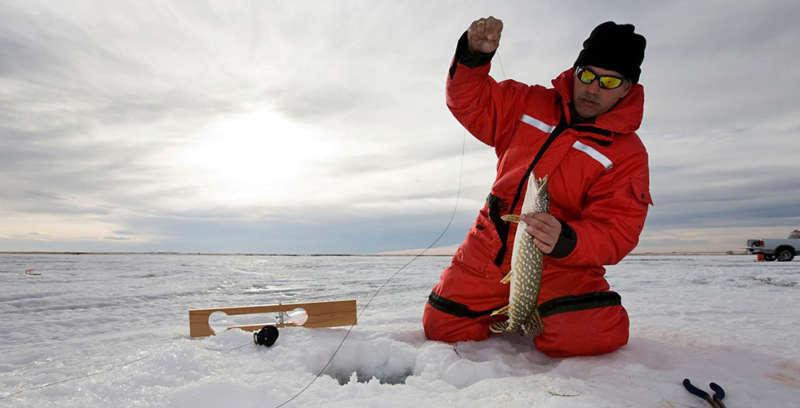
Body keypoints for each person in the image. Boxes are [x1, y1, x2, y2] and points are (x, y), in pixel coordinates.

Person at [423, 17, 652, 357]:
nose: (592, 88)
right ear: (574, 71)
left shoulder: (627, 154)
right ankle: (508, 308)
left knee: (593, 333)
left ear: (627, 88)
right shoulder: (528, 103)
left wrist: (567, 239)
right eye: (586, 75)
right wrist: (473, 57)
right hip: (490, 246)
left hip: (562, 265)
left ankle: (543, 312)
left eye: (608, 81)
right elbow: (469, 101)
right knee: (441, 326)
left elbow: (617, 232)